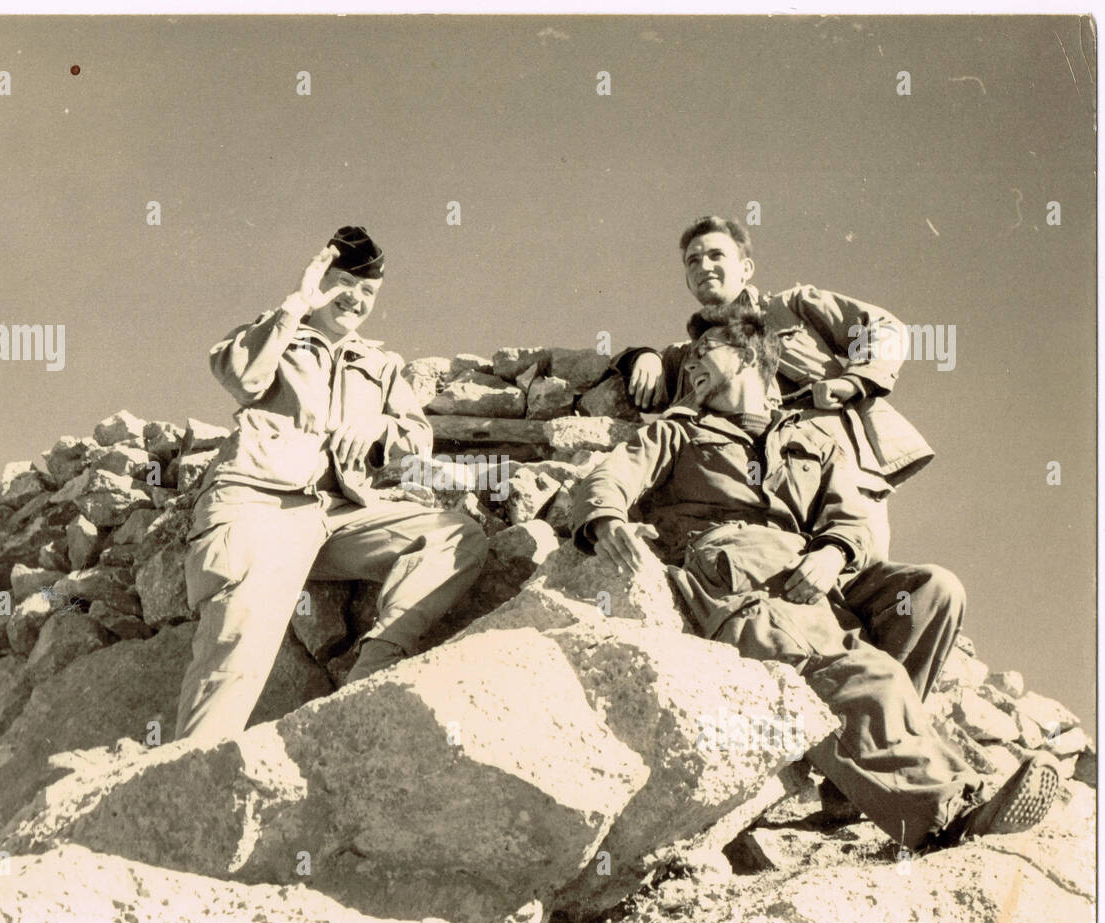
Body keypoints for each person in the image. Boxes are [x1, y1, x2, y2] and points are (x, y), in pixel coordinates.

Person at [572, 304, 1059, 849]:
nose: (692, 367)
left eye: (707, 353)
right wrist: (604, 520)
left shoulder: (810, 439)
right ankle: (942, 815)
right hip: (739, 576)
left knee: (933, 591)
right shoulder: (678, 430)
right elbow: (614, 472)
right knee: (865, 674)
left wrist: (833, 550)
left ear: (749, 355)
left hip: (814, 572)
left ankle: (861, 773)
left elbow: (848, 513)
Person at [610, 217, 961, 710]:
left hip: (839, 468)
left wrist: (856, 381)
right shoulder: (694, 353)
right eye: (693, 261)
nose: (704, 266)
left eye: (716, 255)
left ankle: (885, 730)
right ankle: (869, 733)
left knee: (869, 591)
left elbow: (883, 328)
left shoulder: (793, 307)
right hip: (767, 506)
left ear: (746, 266)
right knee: (811, 612)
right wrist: (639, 356)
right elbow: (648, 389)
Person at [175, 227, 488, 745]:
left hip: (342, 516)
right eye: (345, 284)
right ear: (322, 280)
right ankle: (184, 782)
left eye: (368, 295)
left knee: (457, 536)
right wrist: (296, 304)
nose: (356, 300)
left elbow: (417, 437)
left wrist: (380, 428)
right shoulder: (280, 332)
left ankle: (373, 671)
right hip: (262, 503)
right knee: (238, 648)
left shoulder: (382, 365)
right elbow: (240, 377)